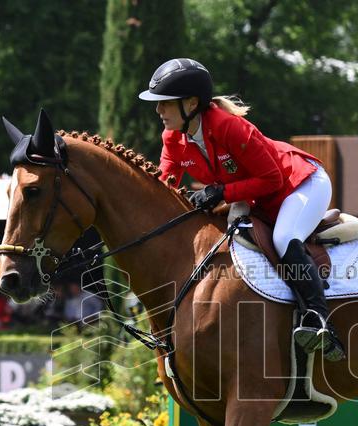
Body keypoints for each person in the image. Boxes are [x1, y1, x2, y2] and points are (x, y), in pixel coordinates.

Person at [138, 58, 345, 361]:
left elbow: (272, 179)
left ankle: (319, 321)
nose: (159, 111)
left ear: (192, 103)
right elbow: (164, 183)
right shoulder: (173, 137)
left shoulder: (228, 127)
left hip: (301, 183)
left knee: (284, 238)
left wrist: (221, 192)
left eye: (166, 103)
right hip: (258, 196)